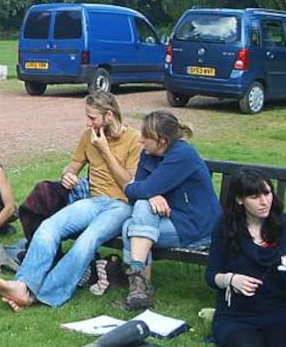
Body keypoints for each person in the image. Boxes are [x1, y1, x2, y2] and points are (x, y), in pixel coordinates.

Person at [0, 91, 141, 310]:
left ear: (108, 115)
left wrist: (105, 150)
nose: (88, 122)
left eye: (92, 117)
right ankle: (23, 286)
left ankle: (41, 295)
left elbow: (130, 184)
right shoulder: (88, 135)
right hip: (93, 200)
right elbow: (73, 165)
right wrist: (67, 174)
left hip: (120, 204)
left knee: (86, 241)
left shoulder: (134, 139)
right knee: (48, 227)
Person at [120, 111, 221, 310]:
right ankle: (140, 288)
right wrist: (150, 194)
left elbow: (137, 188)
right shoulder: (149, 154)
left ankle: (140, 285)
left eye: (146, 137)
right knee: (136, 216)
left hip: (197, 225)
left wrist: (145, 192)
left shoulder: (183, 155)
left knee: (130, 228)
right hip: (170, 219)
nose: (140, 140)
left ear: (162, 141)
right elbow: (136, 192)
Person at [205, 168, 286, 347]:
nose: (264, 202)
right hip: (237, 316)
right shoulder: (225, 228)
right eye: (254, 197)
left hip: (278, 311)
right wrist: (231, 279)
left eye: (267, 193)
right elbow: (211, 275)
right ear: (239, 199)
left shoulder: (283, 225)